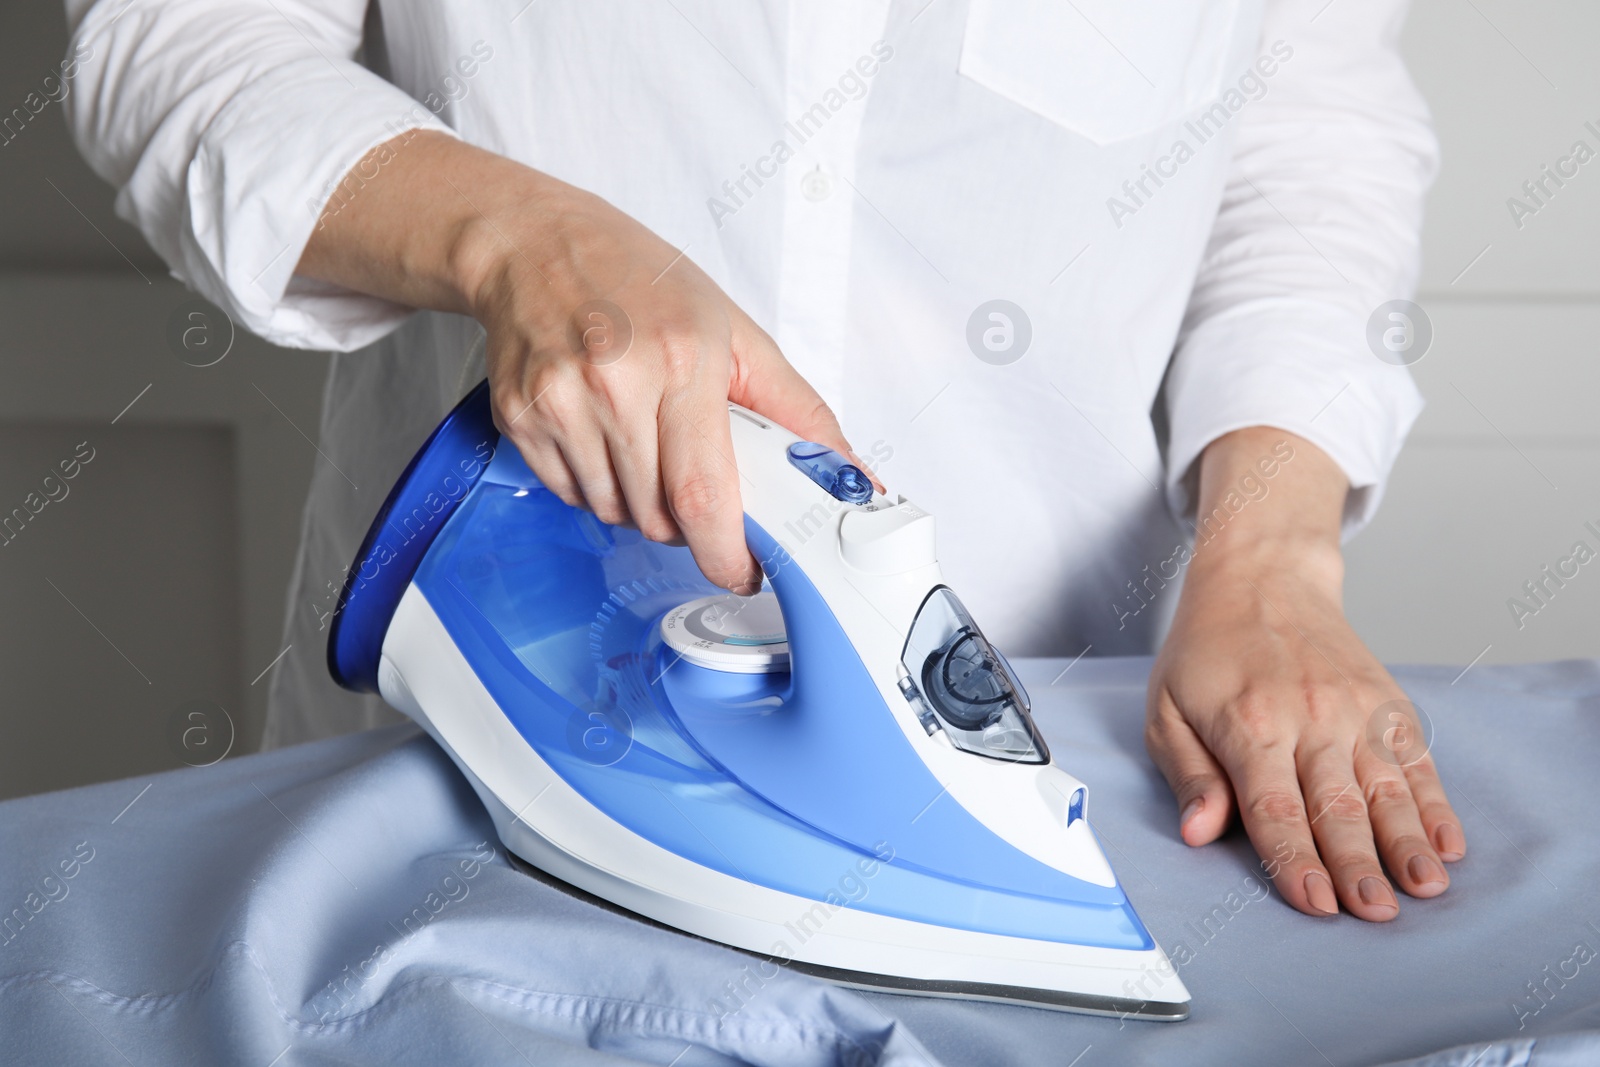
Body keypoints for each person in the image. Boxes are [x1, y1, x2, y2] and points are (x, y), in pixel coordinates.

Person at [64, 0, 1463, 921]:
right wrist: (523, 242)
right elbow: (174, 38)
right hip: (484, 727)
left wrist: (1271, 555)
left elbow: (1309, 141)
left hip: (1070, 690)